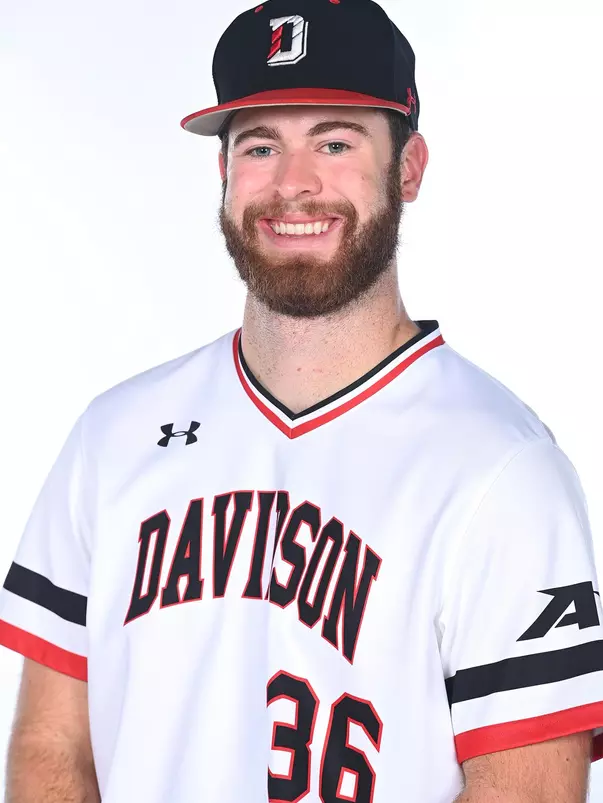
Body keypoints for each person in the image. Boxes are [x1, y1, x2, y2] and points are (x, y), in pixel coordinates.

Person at [1, 0, 602, 801]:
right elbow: (50, 747)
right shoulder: (113, 436)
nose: (293, 184)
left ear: (409, 166)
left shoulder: (503, 468)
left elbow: (527, 791)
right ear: (224, 172)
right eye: (260, 145)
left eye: (335, 140)